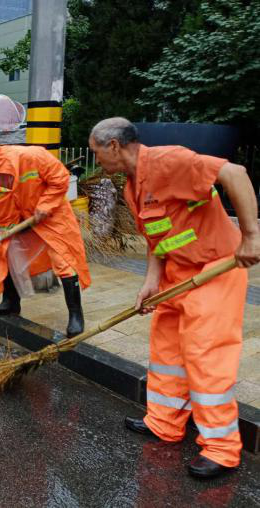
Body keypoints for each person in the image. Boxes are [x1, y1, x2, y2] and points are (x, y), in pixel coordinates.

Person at [88, 117, 260, 479]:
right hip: (175, 277)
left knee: (205, 357)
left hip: (215, 270)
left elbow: (236, 174)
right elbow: (158, 239)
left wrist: (251, 237)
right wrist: (151, 282)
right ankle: (164, 423)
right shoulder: (134, 187)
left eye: (96, 152)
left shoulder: (169, 162)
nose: (95, 160)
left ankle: (222, 449)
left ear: (114, 146)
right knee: (166, 353)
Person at [0, 134, 91, 337]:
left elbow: (60, 178)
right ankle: (10, 303)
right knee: (7, 257)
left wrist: (45, 205)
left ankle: (76, 315)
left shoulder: (31, 156)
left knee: (64, 260)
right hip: (15, 224)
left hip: (50, 217)